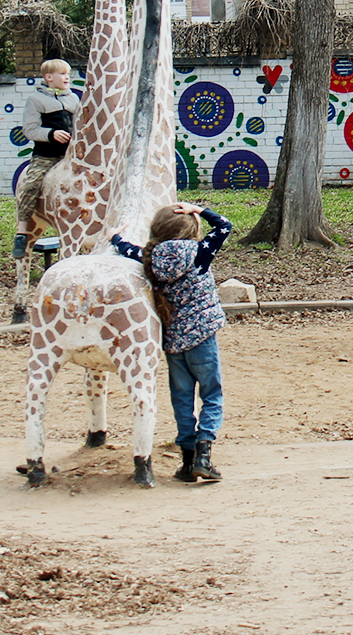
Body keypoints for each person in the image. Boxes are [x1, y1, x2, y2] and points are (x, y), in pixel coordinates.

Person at [111, 201, 233, 483]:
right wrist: (199, 209)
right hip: (202, 338)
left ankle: (187, 461)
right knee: (212, 394)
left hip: (174, 341)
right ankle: (204, 455)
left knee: (182, 399)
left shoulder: (149, 258)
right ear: (189, 230)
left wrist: (115, 238)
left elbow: (126, 249)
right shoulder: (199, 253)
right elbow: (224, 226)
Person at [15, 59, 82, 260]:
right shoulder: (36, 100)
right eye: (62, 74)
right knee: (31, 184)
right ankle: (21, 232)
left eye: (68, 73)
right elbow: (29, 129)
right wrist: (51, 134)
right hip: (46, 155)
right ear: (49, 77)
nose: (67, 77)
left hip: (70, 155)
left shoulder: (73, 99)